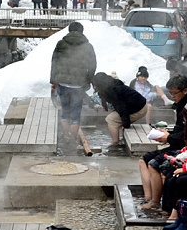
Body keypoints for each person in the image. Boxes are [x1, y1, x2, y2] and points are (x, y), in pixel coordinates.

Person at [136, 75, 187, 211]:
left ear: (185, 91)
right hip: (182, 148)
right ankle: (149, 198)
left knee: (157, 165)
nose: (172, 96)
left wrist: (168, 137)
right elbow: (181, 130)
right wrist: (167, 134)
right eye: (170, 93)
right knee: (144, 160)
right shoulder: (183, 106)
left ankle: (157, 202)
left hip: (184, 149)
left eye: (174, 93)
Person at [49, 22, 98, 153]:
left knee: (65, 110)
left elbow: (54, 61)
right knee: (76, 113)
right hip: (78, 84)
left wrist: (53, 81)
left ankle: (65, 136)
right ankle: (72, 138)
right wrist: (88, 80)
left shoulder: (61, 43)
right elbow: (93, 65)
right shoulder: (87, 46)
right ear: (82, 31)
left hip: (63, 83)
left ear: (69, 31)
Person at [92, 71, 150, 148]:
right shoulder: (113, 84)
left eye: (95, 85)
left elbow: (122, 109)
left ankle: (115, 143)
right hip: (140, 105)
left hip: (139, 109)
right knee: (116, 118)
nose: (95, 87)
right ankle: (120, 139)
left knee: (111, 119)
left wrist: (126, 124)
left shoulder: (113, 91)